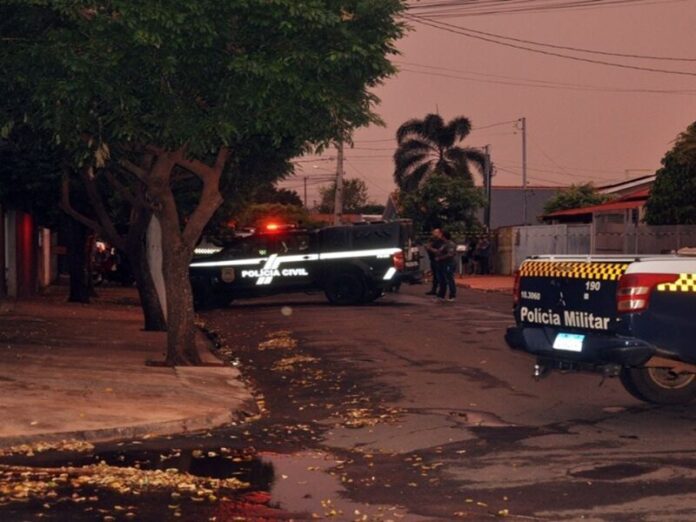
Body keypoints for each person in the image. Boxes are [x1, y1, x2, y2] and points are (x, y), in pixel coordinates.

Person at [436, 230, 457, 302]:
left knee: (450, 279)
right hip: (443, 264)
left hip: (449, 263)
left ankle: (452, 295)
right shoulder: (444, 244)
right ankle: (441, 295)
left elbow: (450, 254)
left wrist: (440, 258)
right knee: (443, 279)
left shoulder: (450, 244)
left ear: (444, 237)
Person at [424, 228, 444, 295]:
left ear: (440, 233)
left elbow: (438, 251)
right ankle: (434, 289)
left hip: (438, 260)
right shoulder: (433, 240)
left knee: (439, 276)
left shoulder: (441, 241)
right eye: (434, 232)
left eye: (436, 232)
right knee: (435, 275)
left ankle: (441, 291)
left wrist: (429, 248)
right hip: (432, 259)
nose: (434, 233)